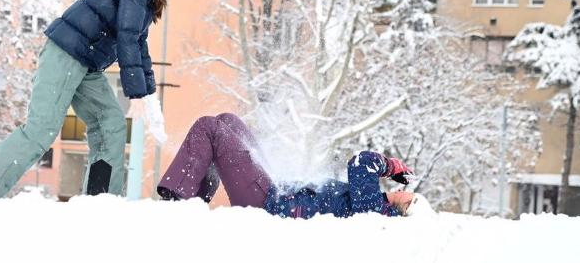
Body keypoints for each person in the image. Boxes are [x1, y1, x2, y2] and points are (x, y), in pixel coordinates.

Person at [0, 0, 184, 199]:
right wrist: (136, 93)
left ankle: (100, 198)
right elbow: (127, 36)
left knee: (111, 123)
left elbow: (139, 44)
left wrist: (150, 98)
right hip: (66, 54)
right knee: (43, 127)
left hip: (87, 63)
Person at [157, 113, 433, 218]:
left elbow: (361, 163)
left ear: (406, 207)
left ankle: (178, 201)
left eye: (412, 198)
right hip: (275, 189)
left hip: (267, 201)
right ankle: (193, 204)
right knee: (229, 122)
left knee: (209, 128)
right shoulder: (372, 204)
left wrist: (391, 166)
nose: (408, 192)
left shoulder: (373, 209)